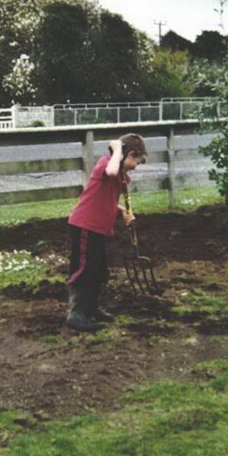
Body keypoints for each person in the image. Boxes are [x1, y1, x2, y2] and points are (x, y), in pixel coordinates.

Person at [65, 133, 147, 331]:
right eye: (137, 161)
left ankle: (91, 309)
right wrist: (118, 149)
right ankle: (76, 313)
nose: (136, 167)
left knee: (98, 269)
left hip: (98, 228)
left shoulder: (119, 173)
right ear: (130, 153)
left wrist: (123, 211)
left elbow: (104, 196)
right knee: (85, 268)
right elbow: (110, 171)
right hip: (85, 225)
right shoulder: (106, 164)